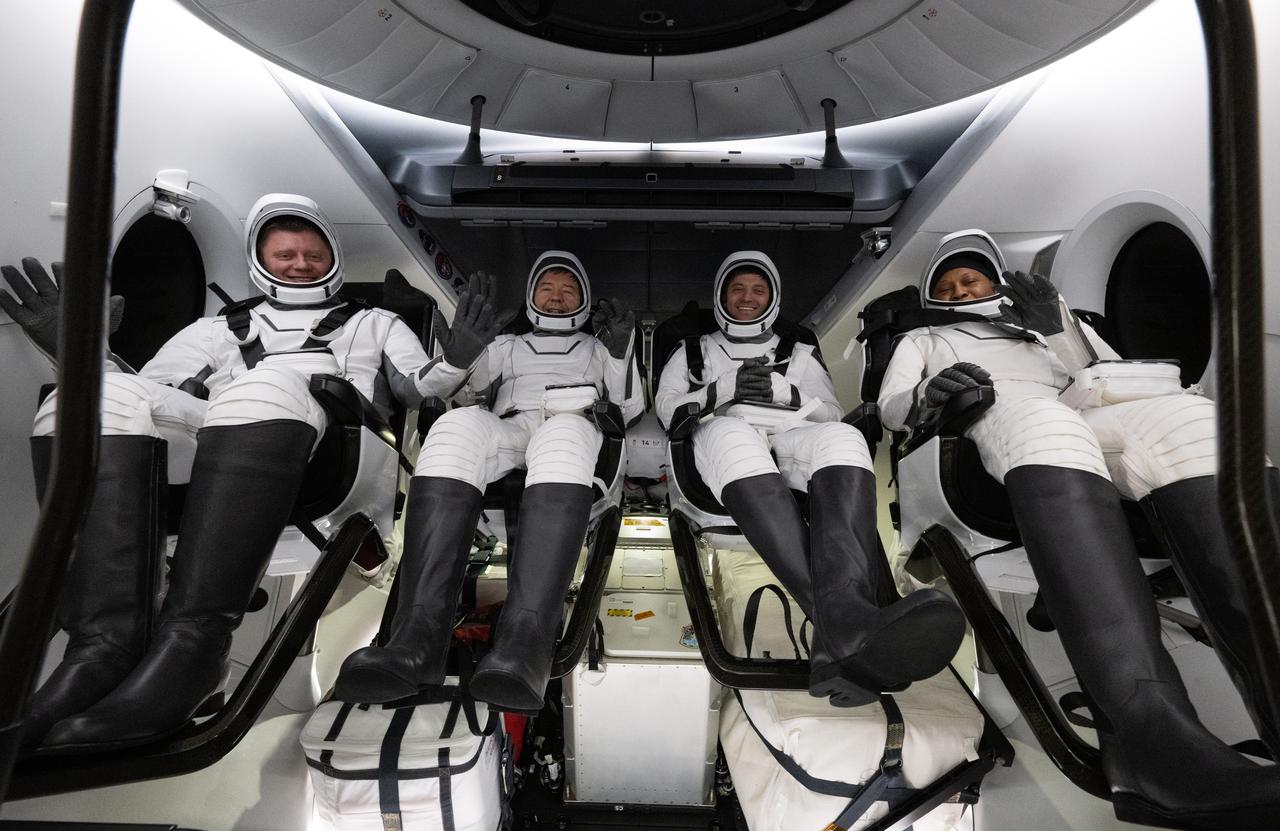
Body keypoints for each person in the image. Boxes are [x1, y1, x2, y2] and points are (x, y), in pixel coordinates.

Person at [1, 193, 461, 750]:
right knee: (89, 396)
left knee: (263, 384)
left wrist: (460, 357)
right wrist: (84, 353)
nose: (299, 264)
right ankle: (104, 647)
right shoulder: (213, 330)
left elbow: (417, 385)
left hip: (343, 451)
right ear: (259, 259)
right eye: (285, 254)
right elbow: (152, 394)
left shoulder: (374, 322)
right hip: (226, 436)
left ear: (332, 257)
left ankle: (196, 646)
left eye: (311, 254)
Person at [878, 229, 1280, 828]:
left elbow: (1109, 375)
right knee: (1048, 425)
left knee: (1196, 424)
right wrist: (930, 390)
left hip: (1093, 404)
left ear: (994, 280)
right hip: (1001, 410)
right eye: (949, 284)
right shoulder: (925, 336)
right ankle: (1156, 748)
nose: (963, 289)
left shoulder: (1047, 318)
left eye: (973, 278)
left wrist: (1055, 328)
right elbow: (891, 407)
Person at [334, 250, 642, 714]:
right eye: (547, 290)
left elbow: (628, 408)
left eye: (568, 291)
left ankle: (525, 645)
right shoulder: (507, 345)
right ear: (532, 296)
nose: (557, 300)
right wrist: (463, 350)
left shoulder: (598, 348)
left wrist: (620, 352)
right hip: (511, 427)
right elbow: (460, 392)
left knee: (564, 432)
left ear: (584, 300)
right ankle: (415, 640)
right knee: (454, 428)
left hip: (572, 426)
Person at [654, 251, 965, 707]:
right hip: (722, 430)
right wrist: (724, 391)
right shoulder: (691, 351)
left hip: (792, 429)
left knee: (842, 438)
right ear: (721, 296)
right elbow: (667, 410)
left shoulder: (797, 352)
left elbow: (829, 412)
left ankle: (837, 634)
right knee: (732, 433)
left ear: (772, 297)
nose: (747, 297)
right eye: (737, 289)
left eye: (757, 289)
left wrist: (787, 391)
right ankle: (848, 623)